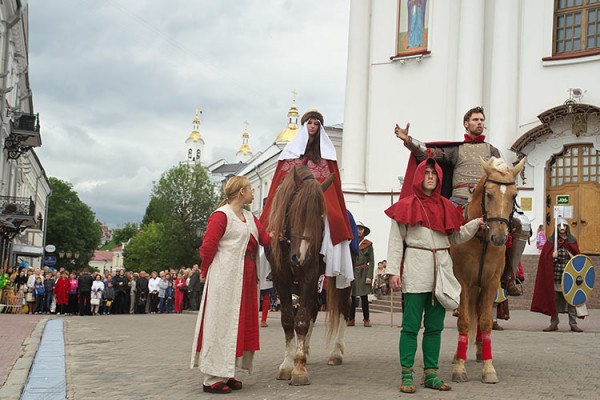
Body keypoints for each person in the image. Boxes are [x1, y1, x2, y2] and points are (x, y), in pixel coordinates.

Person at [394, 106, 522, 296]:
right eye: (475, 120)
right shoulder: (456, 150)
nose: (479, 123)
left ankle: (509, 275)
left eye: (481, 120)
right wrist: (409, 141)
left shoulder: (492, 150)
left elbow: (502, 174)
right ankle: (434, 269)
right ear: (466, 123)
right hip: (458, 200)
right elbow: (429, 155)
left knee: (520, 225)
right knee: (436, 223)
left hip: (488, 202)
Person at [386, 157, 484, 393]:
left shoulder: (447, 207)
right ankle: (407, 375)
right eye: (427, 173)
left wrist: (474, 224)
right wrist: (392, 271)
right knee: (410, 327)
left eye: (434, 174)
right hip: (416, 268)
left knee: (435, 327)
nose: (430, 177)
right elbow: (395, 241)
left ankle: (431, 374)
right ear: (420, 177)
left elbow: (456, 236)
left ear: (439, 179)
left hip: (440, 270)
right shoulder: (406, 205)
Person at [191, 176, 271, 394]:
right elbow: (208, 247)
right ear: (242, 192)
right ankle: (211, 377)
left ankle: (228, 372)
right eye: (251, 189)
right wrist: (205, 270)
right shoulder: (221, 215)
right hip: (224, 278)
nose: (254, 192)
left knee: (238, 324)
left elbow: (265, 239)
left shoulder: (250, 217)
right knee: (220, 323)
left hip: (245, 281)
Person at [260, 109, 354, 289]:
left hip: (317, 197)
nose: (312, 126)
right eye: (310, 123)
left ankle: (330, 259)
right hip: (293, 196)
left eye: (316, 124)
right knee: (274, 219)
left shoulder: (326, 154)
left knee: (333, 219)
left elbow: (332, 184)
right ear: (305, 125)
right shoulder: (291, 152)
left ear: (320, 128)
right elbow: (281, 179)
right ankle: (273, 261)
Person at [531, 218, 584, 333]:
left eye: (564, 226)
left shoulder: (572, 241)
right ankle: (554, 323)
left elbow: (577, 259)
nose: (562, 228)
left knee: (571, 300)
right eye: (559, 226)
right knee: (553, 299)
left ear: (567, 227)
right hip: (555, 275)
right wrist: (551, 256)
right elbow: (544, 259)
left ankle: (573, 323)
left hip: (569, 276)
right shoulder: (551, 242)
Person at [348, 222, 375, 327]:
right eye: (357, 228)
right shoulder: (351, 243)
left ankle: (366, 319)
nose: (359, 231)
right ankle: (351, 319)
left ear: (364, 231)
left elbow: (371, 261)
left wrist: (369, 276)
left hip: (363, 272)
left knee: (364, 297)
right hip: (352, 271)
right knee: (352, 297)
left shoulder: (368, 244)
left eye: (361, 229)